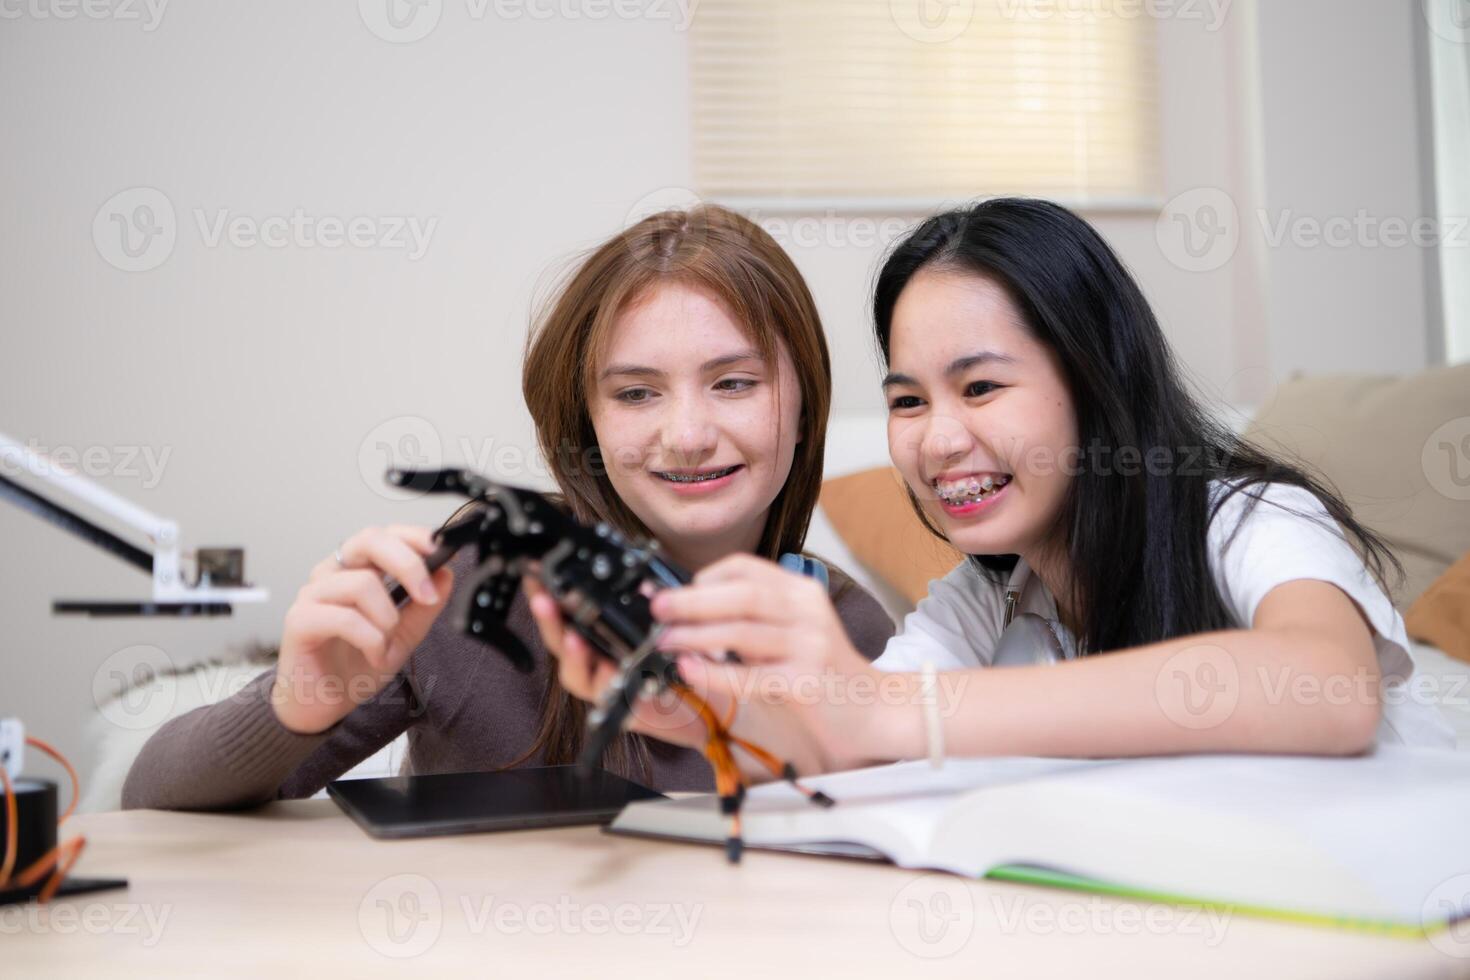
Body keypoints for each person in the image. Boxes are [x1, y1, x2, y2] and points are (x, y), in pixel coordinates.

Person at [542, 198, 1455, 781]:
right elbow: (839, 739)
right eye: (908, 400)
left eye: (981, 387)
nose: (939, 440)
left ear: (1097, 385)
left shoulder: (1249, 520)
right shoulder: (981, 600)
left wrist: (891, 710)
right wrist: (697, 709)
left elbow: (1325, 689)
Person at [121, 205, 895, 810]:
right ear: (583, 421)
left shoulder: (853, 632)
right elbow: (150, 797)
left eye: (734, 382)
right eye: (634, 393)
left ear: (804, 405)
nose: (687, 434)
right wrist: (299, 701)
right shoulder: (460, 595)